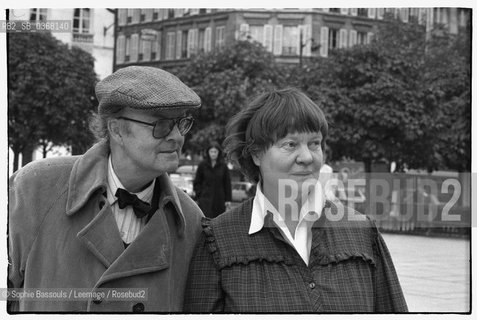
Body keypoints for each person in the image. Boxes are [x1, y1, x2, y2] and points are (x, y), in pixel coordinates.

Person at [183, 88, 408, 313]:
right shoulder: (218, 241)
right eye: (290, 144)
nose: (307, 157)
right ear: (256, 154)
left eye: (314, 143)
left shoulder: (362, 233)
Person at [8, 66, 204, 312]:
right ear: (116, 130)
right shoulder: (35, 188)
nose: (177, 136)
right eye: (161, 124)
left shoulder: (192, 222)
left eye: (181, 123)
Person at [193, 142, 232, 218]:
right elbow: (197, 182)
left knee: (218, 220)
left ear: (218, 153)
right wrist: (198, 196)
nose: (213, 154)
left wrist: (228, 200)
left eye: (215, 152)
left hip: (219, 199)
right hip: (205, 199)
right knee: (205, 221)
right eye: (211, 151)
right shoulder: (202, 165)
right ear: (208, 152)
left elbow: (227, 184)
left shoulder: (223, 166)